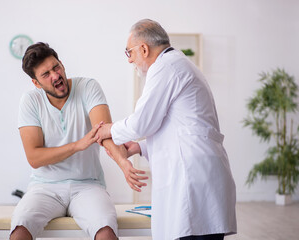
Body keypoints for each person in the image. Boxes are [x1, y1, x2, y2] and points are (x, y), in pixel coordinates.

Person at [96, 19, 237, 240]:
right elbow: (178, 127)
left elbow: (142, 122)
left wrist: (108, 131)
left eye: (129, 53)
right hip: (198, 171)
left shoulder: (165, 67)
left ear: (144, 49)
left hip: (193, 178)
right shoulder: (177, 64)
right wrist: (140, 147)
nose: (130, 60)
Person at [10, 42, 147, 240]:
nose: (55, 76)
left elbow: (104, 132)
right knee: (20, 230)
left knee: (106, 233)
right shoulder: (31, 101)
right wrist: (77, 145)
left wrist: (123, 163)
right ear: (37, 84)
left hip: (88, 185)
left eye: (56, 67)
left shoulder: (88, 87)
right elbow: (34, 157)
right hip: (44, 187)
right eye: (46, 74)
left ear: (62, 64)